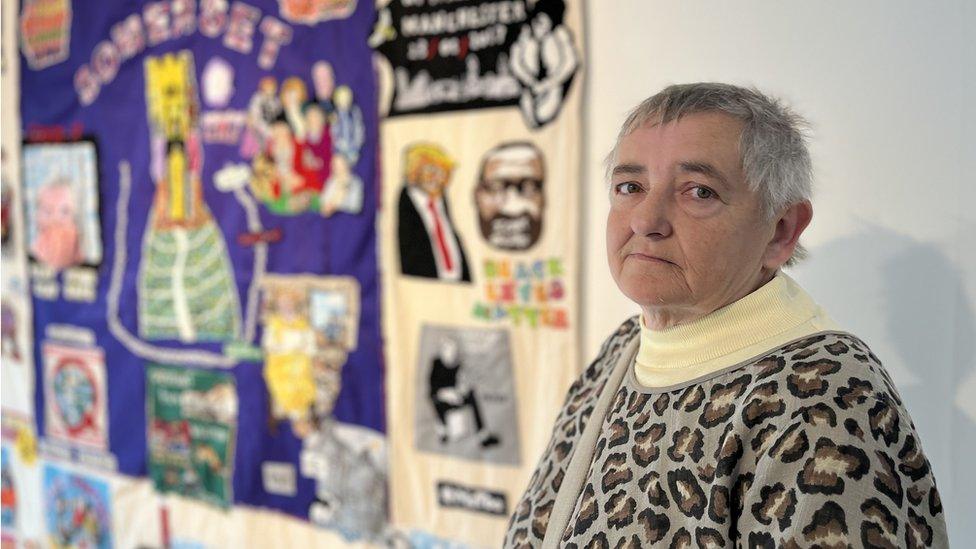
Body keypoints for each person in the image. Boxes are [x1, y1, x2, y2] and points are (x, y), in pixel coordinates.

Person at [504, 83, 948, 547]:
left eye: (698, 192)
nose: (646, 220)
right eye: (630, 187)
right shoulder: (625, 347)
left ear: (780, 230)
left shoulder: (824, 400)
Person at [397, 143, 471, 282]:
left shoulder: (443, 202)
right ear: (413, 170)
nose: (437, 177)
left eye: (443, 172)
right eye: (431, 170)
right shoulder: (406, 205)